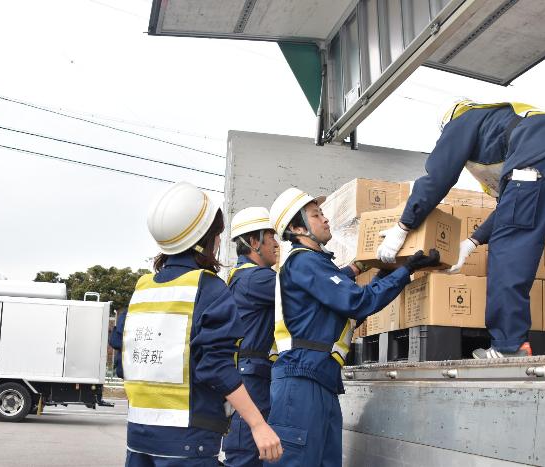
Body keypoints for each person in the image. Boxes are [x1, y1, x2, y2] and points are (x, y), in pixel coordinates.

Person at [377, 99, 545, 358]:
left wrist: (404, 226)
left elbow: (438, 177)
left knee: (509, 251)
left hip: (538, 159)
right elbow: (508, 207)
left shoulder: (462, 120)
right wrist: (472, 243)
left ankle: (509, 344)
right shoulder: (507, 120)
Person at [265, 187, 439, 466]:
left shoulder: (318, 265)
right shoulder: (304, 263)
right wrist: (405, 271)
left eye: (322, 213)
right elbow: (357, 301)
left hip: (320, 380)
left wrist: (389, 272)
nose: (325, 219)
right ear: (298, 228)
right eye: (316, 215)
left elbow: (353, 304)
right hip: (301, 383)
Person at [116, 181, 282, 466]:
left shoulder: (142, 289)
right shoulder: (207, 288)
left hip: (139, 441)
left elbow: (123, 364)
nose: (218, 242)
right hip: (188, 442)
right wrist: (258, 424)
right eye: (216, 234)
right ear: (204, 239)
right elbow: (215, 366)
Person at [222, 207, 280, 467]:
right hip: (251, 378)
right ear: (254, 242)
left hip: (249, 373)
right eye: (272, 237)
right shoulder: (257, 279)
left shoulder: (241, 277)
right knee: (247, 456)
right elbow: (306, 291)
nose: (277, 244)